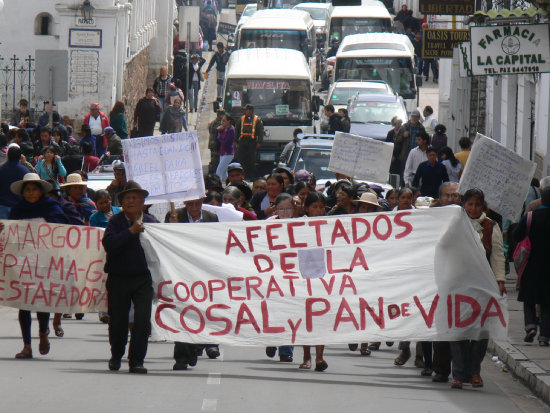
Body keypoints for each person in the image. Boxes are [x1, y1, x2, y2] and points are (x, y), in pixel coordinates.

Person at [0, 173, 68, 359]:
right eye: (27, 190)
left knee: (41, 300)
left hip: (45, 262)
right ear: (23, 193)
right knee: (23, 303)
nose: (30, 193)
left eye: (34, 190)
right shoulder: (17, 210)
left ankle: (43, 333)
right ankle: (27, 345)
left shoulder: (51, 207)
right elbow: (10, 234)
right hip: (23, 262)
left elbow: (63, 228)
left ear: (41, 191)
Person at [450, 188, 506, 389]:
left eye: (477, 205)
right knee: (458, 331)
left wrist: (500, 281)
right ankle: (458, 373)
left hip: (483, 287)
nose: (473, 209)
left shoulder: (491, 227)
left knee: (481, 331)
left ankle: (474, 371)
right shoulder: (454, 224)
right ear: (463, 205)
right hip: (458, 285)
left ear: (483, 207)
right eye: (470, 204)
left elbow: (498, 255)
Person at [102, 181, 158, 374]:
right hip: (119, 278)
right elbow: (109, 245)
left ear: (143, 202)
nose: (131, 201)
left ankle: (136, 361)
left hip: (143, 279)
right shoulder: (115, 222)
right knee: (118, 321)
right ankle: (116, 354)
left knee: (142, 321)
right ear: (122, 202)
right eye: (127, 198)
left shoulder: (152, 223)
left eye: (135, 198)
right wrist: (130, 232)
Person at [165, 198, 220, 370]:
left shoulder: (211, 218)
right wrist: (171, 226)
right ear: (185, 203)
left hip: (203, 271)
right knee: (182, 311)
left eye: (198, 204)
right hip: (180, 271)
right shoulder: (174, 216)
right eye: (190, 204)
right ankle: (181, 357)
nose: (194, 208)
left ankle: (196, 346)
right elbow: (165, 239)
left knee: (200, 311)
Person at [514, 187, 550, 346]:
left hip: (531, 264)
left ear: (541, 199)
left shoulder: (530, 217)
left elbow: (517, 236)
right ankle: (544, 337)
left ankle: (530, 326)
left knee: (528, 298)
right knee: (547, 303)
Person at [264, 193, 296, 363]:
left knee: (290, 311)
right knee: (275, 311)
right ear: (275, 209)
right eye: (281, 209)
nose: (285, 212)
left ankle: (286, 349)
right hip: (272, 275)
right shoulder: (268, 224)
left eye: (289, 208)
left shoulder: (301, 225)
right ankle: (272, 339)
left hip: (293, 277)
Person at [235, 105, 264, 180]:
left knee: (251, 160)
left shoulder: (257, 119)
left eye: (246, 110)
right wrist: (235, 141)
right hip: (242, 142)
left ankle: (252, 176)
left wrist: (259, 142)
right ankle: (242, 176)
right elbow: (236, 130)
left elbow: (261, 132)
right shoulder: (241, 119)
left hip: (252, 142)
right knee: (241, 159)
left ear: (251, 110)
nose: (245, 111)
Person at [0, 145, 29, 219]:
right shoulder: (24, 171)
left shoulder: (1, 169)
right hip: (19, 207)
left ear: (8, 155)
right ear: (20, 157)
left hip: (2, 207)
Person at [394, 110, 425, 175]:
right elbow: (396, 139)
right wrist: (403, 136)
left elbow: (425, 141)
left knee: (415, 173)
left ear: (418, 118)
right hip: (406, 155)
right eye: (412, 116)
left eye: (415, 117)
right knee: (405, 174)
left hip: (417, 154)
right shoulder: (404, 127)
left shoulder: (421, 128)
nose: (414, 118)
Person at [215, 114, 235, 181]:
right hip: (222, 152)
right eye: (222, 121)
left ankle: (218, 186)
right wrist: (218, 130)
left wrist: (219, 138)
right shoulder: (223, 129)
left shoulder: (231, 130)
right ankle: (228, 184)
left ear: (228, 121)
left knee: (219, 171)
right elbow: (216, 138)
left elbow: (226, 142)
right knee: (224, 173)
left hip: (228, 153)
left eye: (224, 121)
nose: (222, 122)